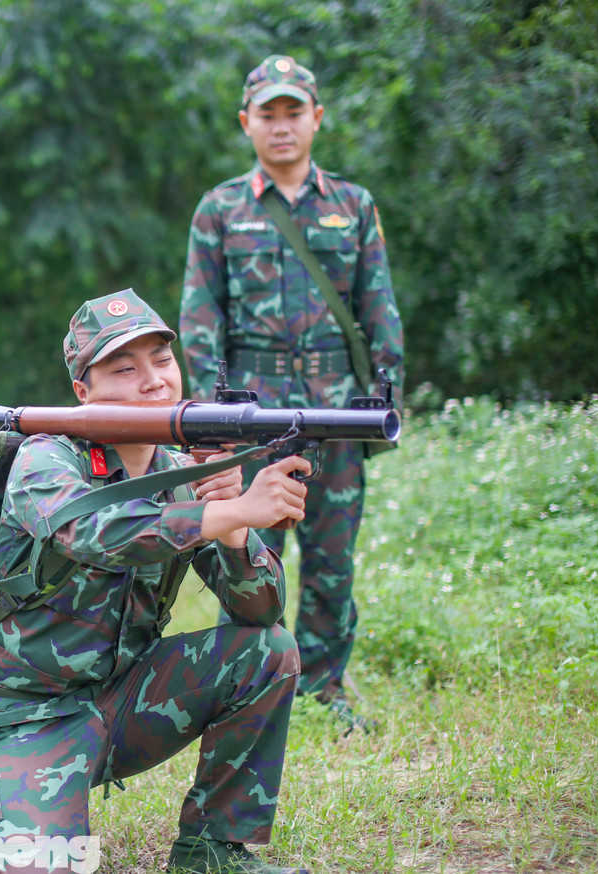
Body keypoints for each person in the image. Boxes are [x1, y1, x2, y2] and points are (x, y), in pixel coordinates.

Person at [0, 289, 312, 873]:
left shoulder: (179, 471)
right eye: (125, 368)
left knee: (267, 652)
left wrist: (233, 532)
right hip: (26, 717)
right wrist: (236, 510)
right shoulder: (45, 458)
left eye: (162, 362)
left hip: (120, 701)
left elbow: (260, 613)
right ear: (83, 392)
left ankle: (210, 851)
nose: (153, 382)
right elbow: (94, 532)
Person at [179, 55, 405, 727]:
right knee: (250, 549)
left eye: (294, 113)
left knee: (333, 554)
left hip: (337, 407)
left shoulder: (352, 206)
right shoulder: (220, 209)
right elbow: (199, 315)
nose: (282, 127)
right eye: (268, 115)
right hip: (253, 408)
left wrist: (386, 398)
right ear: (247, 123)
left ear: (316, 119)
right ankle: (248, 681)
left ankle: (325, 688)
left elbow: (379, 308)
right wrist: (211, 416)